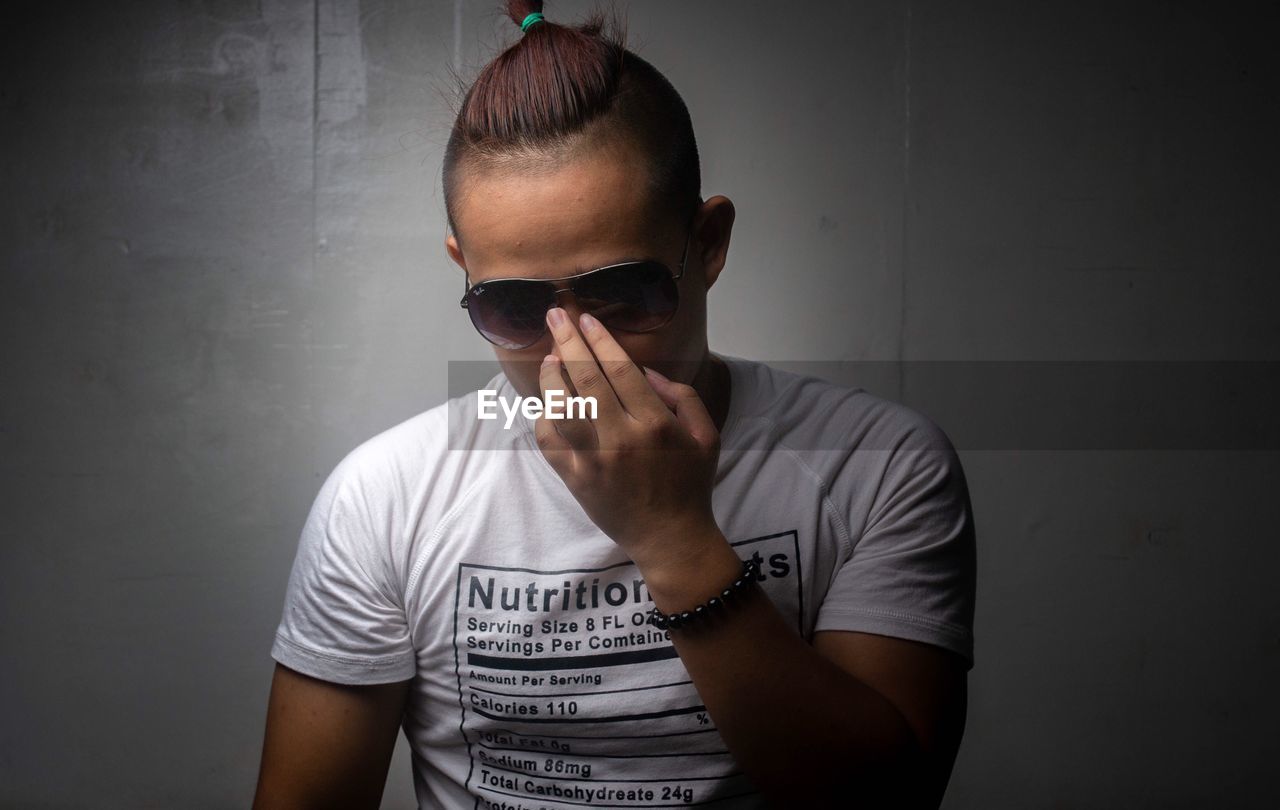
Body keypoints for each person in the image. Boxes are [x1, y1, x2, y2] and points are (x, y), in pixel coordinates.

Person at [252, 2, 976, 808]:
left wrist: (673, 537)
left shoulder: (878, 465)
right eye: (517, 309)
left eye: (625, 294)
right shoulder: (385, 496)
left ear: (706, 246)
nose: (575, 350)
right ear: (464, 272)